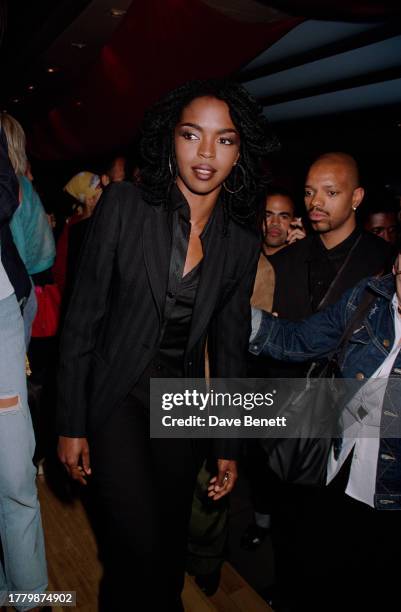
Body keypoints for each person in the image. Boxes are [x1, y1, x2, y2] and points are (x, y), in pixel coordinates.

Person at [57, 79, 276, 611]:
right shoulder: (125, 206)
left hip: (181, 407)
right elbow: (81, 321)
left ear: (239, 150)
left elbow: (228, 350)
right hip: (117, 398)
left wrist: (228, 444)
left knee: (166, 549)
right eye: (191, 135)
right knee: (134, 545)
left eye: (223, 140)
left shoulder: (240, 244)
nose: (205, 153)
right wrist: (71, 422)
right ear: (169, 141)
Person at [250, 249, 401, 612]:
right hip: (337, 468)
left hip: (391, 501)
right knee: (319, 572)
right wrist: (230, 314)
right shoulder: (370, 298)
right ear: (397, 263)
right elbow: (300, 339)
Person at [0, 120, 48, 611]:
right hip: (15, 312)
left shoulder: (18, 191)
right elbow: (43, 254)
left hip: (7, 316)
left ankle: (31, 597)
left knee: (13, 481)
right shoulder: (27, 190)